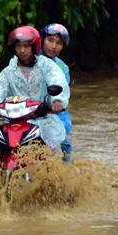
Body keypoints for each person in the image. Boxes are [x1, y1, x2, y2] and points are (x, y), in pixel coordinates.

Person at [0, 26, 70, 152]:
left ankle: (59, 169)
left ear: (34, 47)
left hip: (42, 118)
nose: (22, 50)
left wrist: (57, 101)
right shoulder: (8, 71)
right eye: (18, 46)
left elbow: (57, 80)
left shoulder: (46, 65)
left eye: (26, 46)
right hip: (14, 120)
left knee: (56, 146)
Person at [39, 23, 73, 162]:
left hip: (52, 111)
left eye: (59, 43)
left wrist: (57, 102)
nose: (53, 46)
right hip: (27, 108)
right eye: (50, 40)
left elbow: (63, 90)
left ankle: (64, 175)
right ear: (42, 40)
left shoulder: (63, 68)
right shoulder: (29, 58)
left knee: (65, 144)